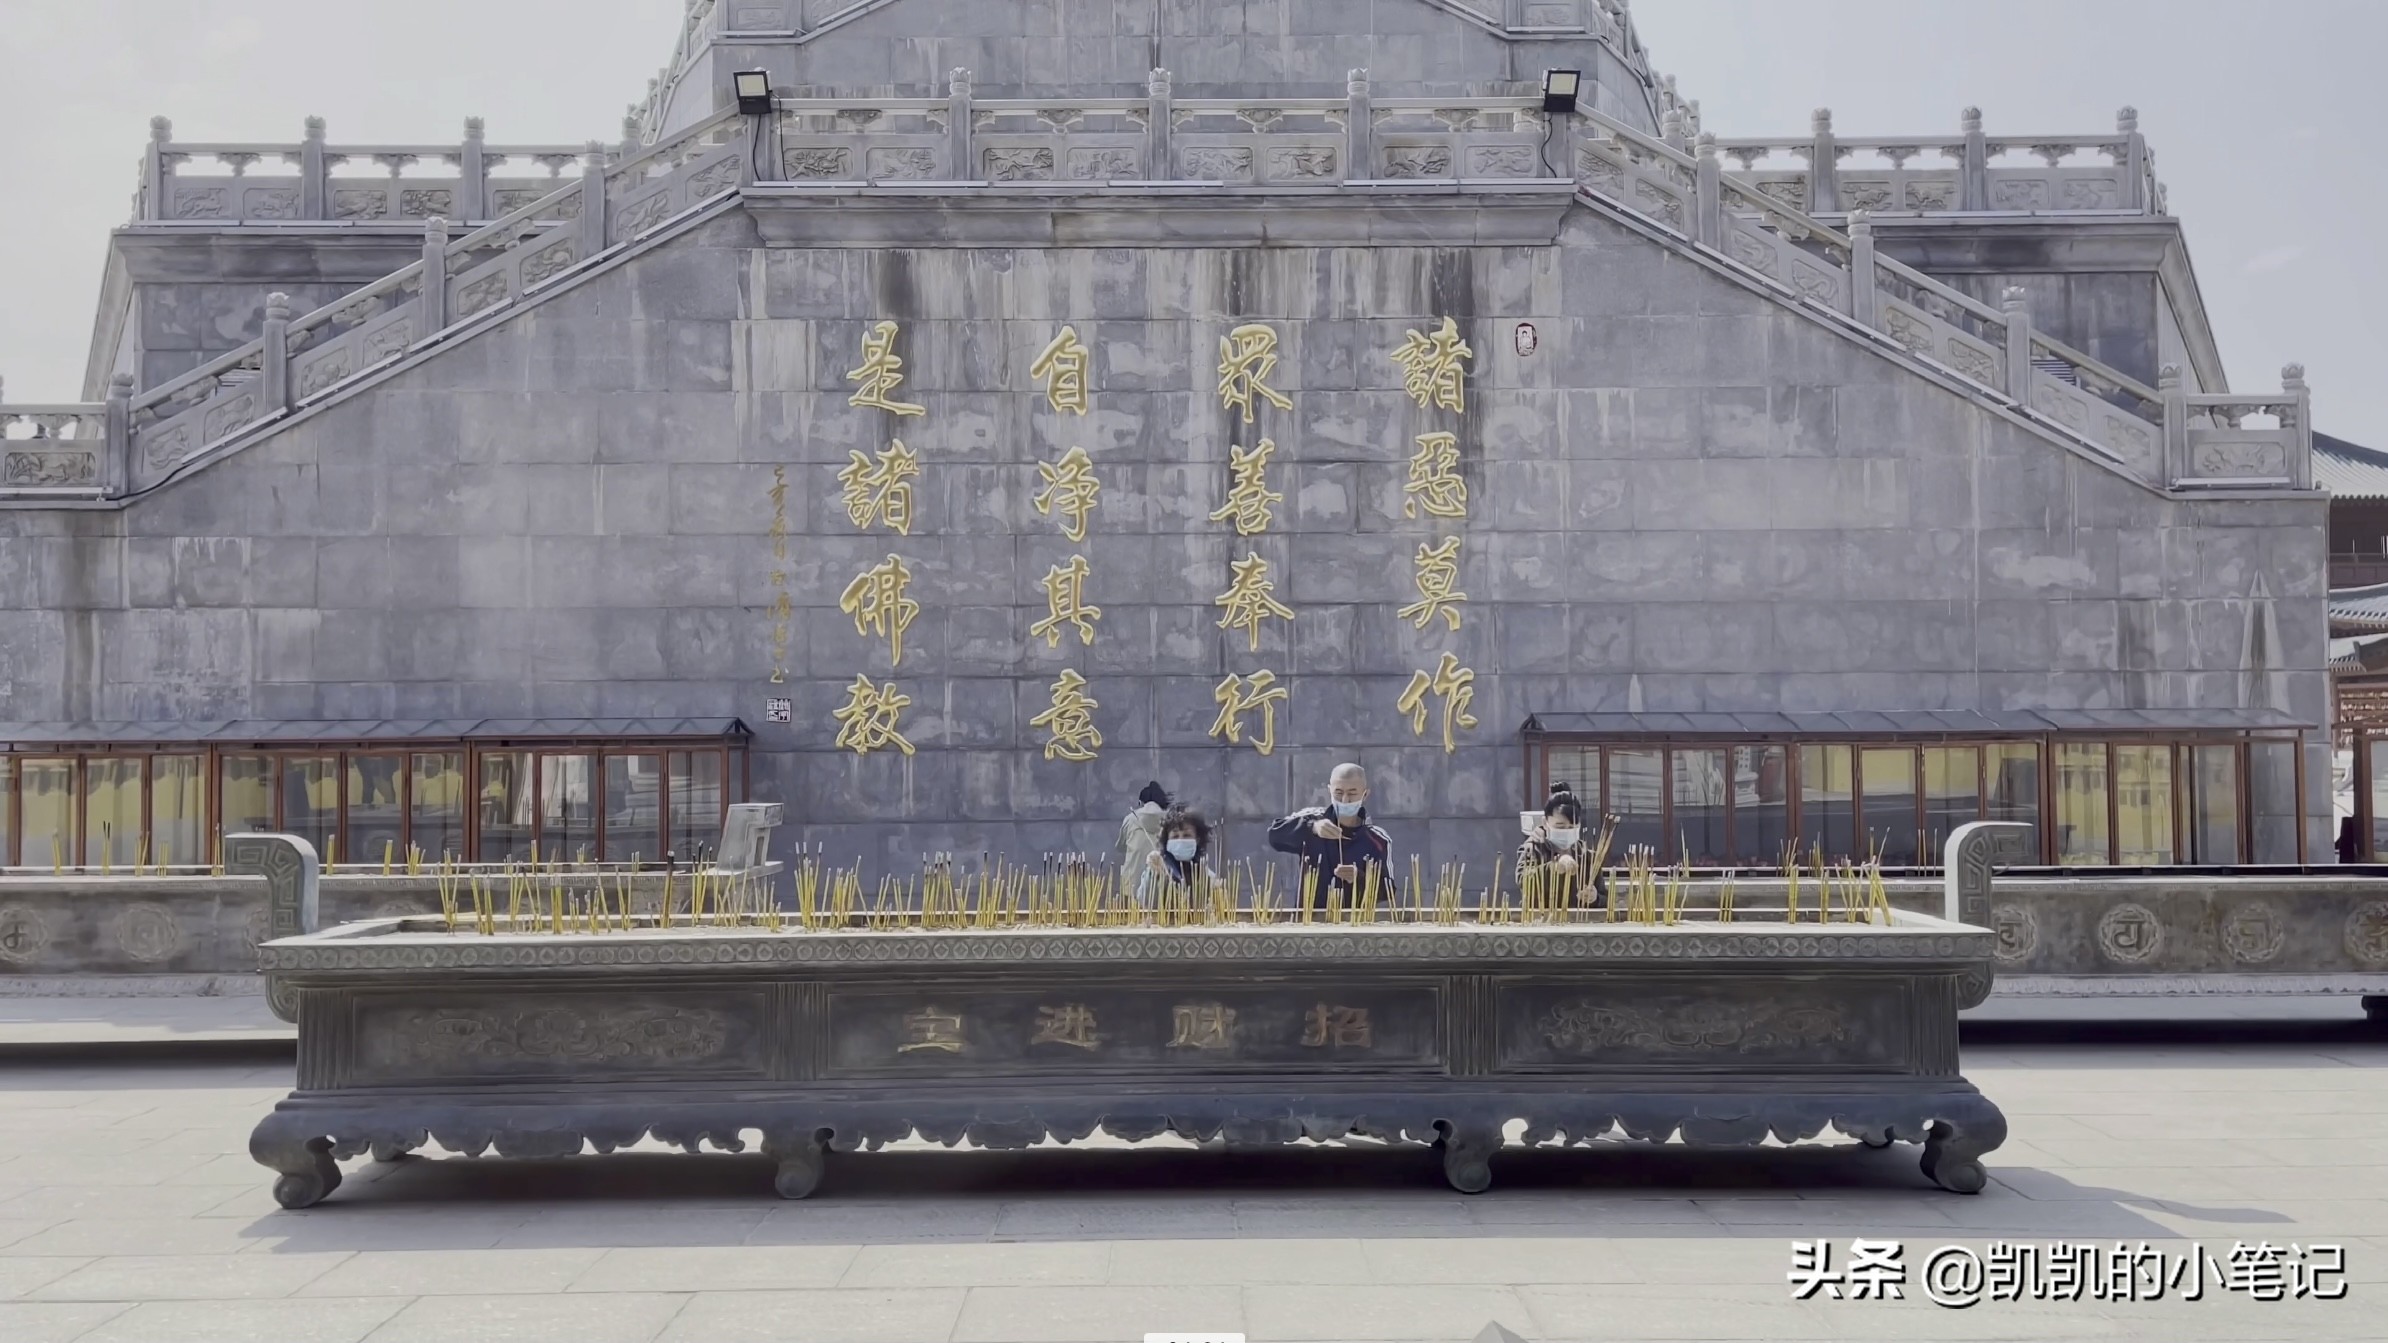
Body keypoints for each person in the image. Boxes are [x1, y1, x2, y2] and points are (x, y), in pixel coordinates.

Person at [1268, 762, 1394, 911]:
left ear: (1365, 794)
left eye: (1352, 793)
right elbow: (1274, 834)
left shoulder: (1377, 839)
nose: (1345, 800)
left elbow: (1388, 890)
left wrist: (1358, 878)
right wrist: (1311, 828)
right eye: (1338, 793)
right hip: (1310, 918)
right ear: (1329, 790)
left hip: (1354, 920)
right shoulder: (1312, 818)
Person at [1516, 787, 1608, 909]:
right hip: (1542, 919)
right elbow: (1524, 881)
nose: (1566, 831)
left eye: (1572, 827)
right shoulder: (1533, 849)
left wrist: (1595, 898)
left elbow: (1606, 899)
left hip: (1579, 920)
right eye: (1560, 826)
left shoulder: (1587, 856)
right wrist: (1555, 867)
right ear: (1545, 823)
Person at [1136, 805, 1217, 903]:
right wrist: (1156, 876)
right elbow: (1146, 902)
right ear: (1167, 841)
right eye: (1175, 836)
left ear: (1197, 840)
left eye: (1187, 835)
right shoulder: (1157, 868)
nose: (1180, 840)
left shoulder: (1207, 877)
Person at [1118, 780, 1170, 887]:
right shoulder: (1170, 820)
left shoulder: (1130, 819)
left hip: (1132, 881)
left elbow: (1121, 846)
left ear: (1141, 803)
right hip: (1160, 881)